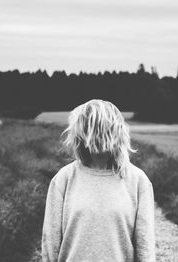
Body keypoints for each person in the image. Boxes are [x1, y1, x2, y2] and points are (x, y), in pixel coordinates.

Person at [41, 99, 156, 262]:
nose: (99, 137)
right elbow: (50, 243)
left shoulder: (138, 181)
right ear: (81, 134)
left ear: (117, 132)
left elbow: (145, 246)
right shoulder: (63, 179)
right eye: (92, 130)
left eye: (104, 130)